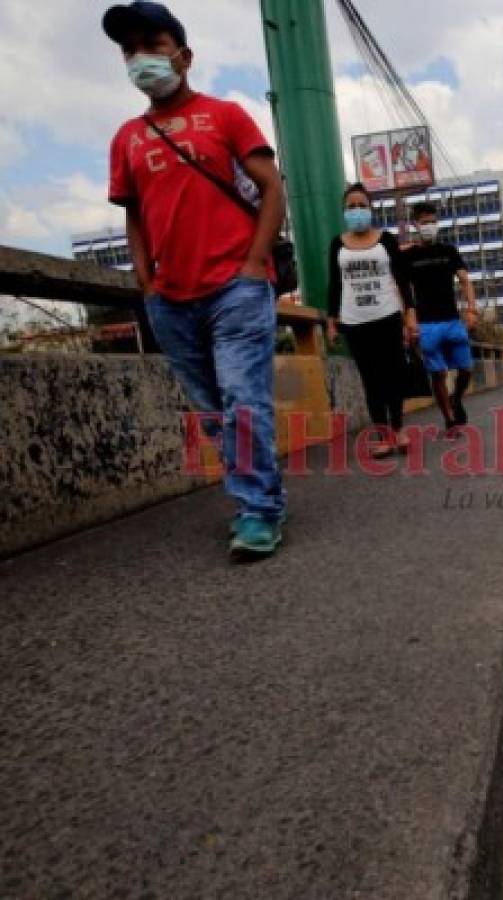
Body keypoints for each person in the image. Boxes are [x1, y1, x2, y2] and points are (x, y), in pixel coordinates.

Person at [103, 2, 287, 559]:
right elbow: (133, 214)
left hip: (236, 285)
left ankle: (258, 510)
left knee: (242, 397)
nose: (141, 58)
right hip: (171, 298)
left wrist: (254, 264)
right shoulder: (127, 138)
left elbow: (271, 187)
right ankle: (259, 493)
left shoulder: (226, 116)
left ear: (183, 56)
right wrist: (145, 281)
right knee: (213, 410)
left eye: (152, 45)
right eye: (130, 50)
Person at [326, 184, 417, 457]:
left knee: (393, 374)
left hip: (387, 317)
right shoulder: (337, 244)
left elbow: (402, 279)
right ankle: (383, 434)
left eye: (361, 205)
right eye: (351, 207)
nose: (356, 211)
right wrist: (332, 321)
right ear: (344, 212)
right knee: (371, 380)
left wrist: (410, 314)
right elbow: (335, 285)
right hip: (355, 323)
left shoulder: (386, 240)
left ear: (371, 209)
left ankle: (398, 428)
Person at [403, 202, 478, 437]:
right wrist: (408, 322)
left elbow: (465, 280)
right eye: (425, 222)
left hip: (452, 321)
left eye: (433, 222)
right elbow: (402, 290)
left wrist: (471, 309)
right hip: (426, 324)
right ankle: (449, 420)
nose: (430, 226)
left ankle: (456, 398)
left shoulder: (448, 251)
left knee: (465, 369)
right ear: (415, 224)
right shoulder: (409, 256)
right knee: (438, 374)